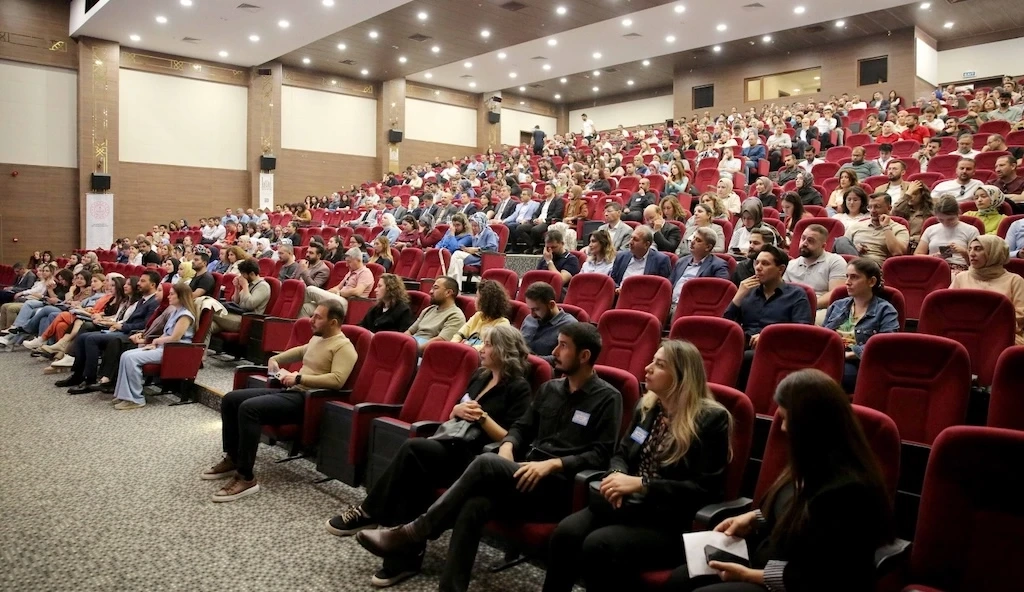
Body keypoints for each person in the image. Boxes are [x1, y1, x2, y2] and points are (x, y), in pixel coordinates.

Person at [355, 323, 622, 592]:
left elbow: (600, 454)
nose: (554, 352)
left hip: (558, 487)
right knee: (473, 506)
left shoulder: (608, 398)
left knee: (483, 462)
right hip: (524, 475)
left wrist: (553, 464)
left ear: (584, 356)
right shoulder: (550, 389)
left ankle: (414, 532)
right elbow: (521, 428)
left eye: (563, 346)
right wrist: (508, 446)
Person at [327, 324, 533, 587]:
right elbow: (454, 412)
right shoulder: (480, 376)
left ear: (504, 350)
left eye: (489, 344)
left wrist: (482, 418)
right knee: (417, 477)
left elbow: (512, 437)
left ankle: (369, 512)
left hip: (476, 459)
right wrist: (457, 410)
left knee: (414, 450)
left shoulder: (519, 388)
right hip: (452, 444)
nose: (482, 349)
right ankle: (403, 560)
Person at [663, 369, 892, 592]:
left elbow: (818, 575)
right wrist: (754, 518)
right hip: (775, 561)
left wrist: (747, 575)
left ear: (810, 425)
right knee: (680, 579)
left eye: (785, 419)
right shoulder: (813, 461)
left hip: (801, 581)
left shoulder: (848, 491)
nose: (782, 428)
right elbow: (795, 510)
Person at [544, 341, 732, 592]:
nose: (647, 368)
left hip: (669, 520)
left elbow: (704, 489)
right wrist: (617, 476)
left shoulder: (710, 420)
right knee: (565, 533)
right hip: (628, 504)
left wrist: (642, 485)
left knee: (598, 545)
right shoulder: (647, 407)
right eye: (652, 360)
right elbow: (621, 454)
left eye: (659, 365)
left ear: (682, 376)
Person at [202, 300, 357, 501]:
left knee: (249, 409)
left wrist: (299, 378)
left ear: (333, 322)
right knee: (231, 399)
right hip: (292, 392)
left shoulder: (344, 347)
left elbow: (337, 380)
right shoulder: (318, 338)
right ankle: (234, 458)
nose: (311, 320)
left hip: (308, 401)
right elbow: (301, 350)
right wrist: (276, 359)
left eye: (318, 317)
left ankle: (246, 477)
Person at [54, 270, 161, 393]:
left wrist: (122, 326)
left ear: (152, 285)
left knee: (91, 339)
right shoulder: (143, 300)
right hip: (124, 329)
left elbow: (145, 324)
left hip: (131, 333)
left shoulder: (153, 302)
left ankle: (89, 379)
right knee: (83, 336)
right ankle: (78, 375)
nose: (139, 284)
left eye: (143, 281)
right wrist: (117, 324)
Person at [725, 245, 812, 389]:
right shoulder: (748, 292)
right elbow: (726, 325)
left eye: (765, 264)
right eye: (757, 263)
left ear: (781, 269)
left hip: (777, 348)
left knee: (745, 358)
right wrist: (738, 297)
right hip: (745, 346)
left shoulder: (796, 295)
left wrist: (769, 337)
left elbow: (802, 331)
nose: (758, 267)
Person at [110, 283, 200, 410]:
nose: (168, 296)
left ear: (181, 296)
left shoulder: (185, 315)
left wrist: (157, 341)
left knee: (131, 358)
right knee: (126, 355)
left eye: (172, 294)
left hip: (175, 350)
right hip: (165, 347)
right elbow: (166, 333)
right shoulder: (175, 311)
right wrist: (153, 344)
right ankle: (124, 395)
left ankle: (136, 399)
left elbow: (175, 338)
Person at [823, 258, 900, 392]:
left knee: (826, 377)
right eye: (847, 276)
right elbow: (824, 336)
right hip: (831, 357)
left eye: (854, 277)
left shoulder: (886, 310)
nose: (847, 282)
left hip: (859, 364)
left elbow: (886, 346)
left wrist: (850, 354)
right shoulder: (837, 305)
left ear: (871, 282)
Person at [952, 235, 1024, 344]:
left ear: (995, 253)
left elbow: (1020, 315)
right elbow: (950, 309)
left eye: (978, 249)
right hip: (964, 333)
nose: (971, 254)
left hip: (1002, 336)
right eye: (970, 249)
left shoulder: (1015, 281)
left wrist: (987, 325)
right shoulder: (961, 277)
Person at [783, 224, 847, 324]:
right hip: (792, 307)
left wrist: (806, 306)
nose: (804, 243)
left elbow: (836, 294)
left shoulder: (835, 261)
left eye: (811, 241)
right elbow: (783, 293)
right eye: (803, 238)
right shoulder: (790, 265)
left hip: (822, 309)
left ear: (823, 246)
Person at [835, 192, 909, 264]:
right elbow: (842, 245)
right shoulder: (857, 225)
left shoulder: (899, 228)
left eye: (877, 207)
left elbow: (897, 252)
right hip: (853, 263)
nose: (872, 211)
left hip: (874, 266)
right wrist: (854, 248)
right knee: (840, 240)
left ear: (889, 208)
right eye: (870, 207)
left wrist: (886, 227)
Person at [915, 194, 979, 276]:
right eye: (941, 220)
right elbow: (917, 255)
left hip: (960, 269)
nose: (946, 223)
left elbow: (978, 261)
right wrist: (934, 256)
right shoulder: (930, 230)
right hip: (934, 267)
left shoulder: (971, 230)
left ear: (958, 214)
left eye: (950, 219)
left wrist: (964, 252)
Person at [670, 227, 730, 315]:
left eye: (698, 240)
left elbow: (721, 291)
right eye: (693, 238)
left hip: (692, 308)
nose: (692, 242)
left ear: (708, 247)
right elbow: (670, 284)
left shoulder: (718, 265)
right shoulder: (681, 261)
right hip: (670, 303)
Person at [210, 259, 271, 335]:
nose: (241, 277)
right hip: (236, 314)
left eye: (243, 274)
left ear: (252, 274)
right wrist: (237, 288)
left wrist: (245, 286)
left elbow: (250, 305)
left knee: (209, 311)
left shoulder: (263, 286)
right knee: (207, 326)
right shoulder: (249, 284)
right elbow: (235, 302)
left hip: (246, 320)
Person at [406, 277, 466, 353]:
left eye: (435, 288)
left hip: (427, 353)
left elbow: (440, 341)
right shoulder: (428, 310)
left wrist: (411, 351)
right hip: (413, 346)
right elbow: (410, 331)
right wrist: (402, 345)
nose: (430, 292)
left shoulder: (456, 316)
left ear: (448, 292)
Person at [520, 281, 577, 358]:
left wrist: (528, 359)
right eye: (530, 309)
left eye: (536, 309)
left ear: (551, 305)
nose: (532, 314)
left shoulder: (569, 325)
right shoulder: (529, 319)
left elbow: (562, 359)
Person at [451, 280, 510, 351]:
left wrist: (465, 346)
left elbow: (486, 348)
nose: (474, 300)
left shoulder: (502, 324)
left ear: (486, 301)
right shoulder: (478, 315)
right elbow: (459, 334)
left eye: (477, 296)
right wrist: (455, 346)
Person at [447, 213, 498, 287]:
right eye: (472, 226)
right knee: (458, 261)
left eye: (475, 226)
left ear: (481, 224)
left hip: (482, 259)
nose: (473, 228)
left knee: (457, 254)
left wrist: (477, 249)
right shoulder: (476, 234)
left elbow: (493, 248)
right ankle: (457, 287)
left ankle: (448, 282)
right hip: (474, 256)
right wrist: (467, 249)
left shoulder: (489, 233)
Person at [536, 229, 581, 293]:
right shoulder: (544, 258)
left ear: (562, 244)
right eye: (548, 247)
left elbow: (560, 280)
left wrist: (549, 262)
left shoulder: (571, 259)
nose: (551, 250)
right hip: (542, 291)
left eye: (553, 247)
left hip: (561, 292)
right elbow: (537, 278)